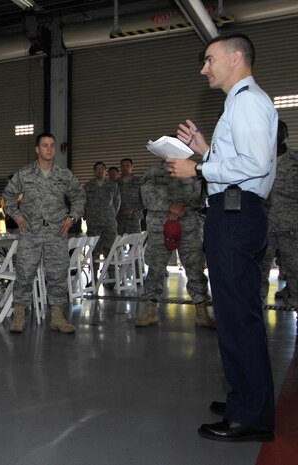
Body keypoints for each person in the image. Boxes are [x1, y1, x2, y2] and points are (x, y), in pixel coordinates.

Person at [167, 34, 276, 442]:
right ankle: (247, 398)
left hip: (236, 214)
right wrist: (206, 149)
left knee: (238, 318)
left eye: (209, 60)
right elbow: (242, 161)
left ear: (235, 58)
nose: (204, 68)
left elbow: (255, 162)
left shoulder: (247, 100)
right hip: (233, 211)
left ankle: (252, 415)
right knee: (235, 314)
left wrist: (196, 168)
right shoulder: (241, 101)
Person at [3, 132, 85, 333]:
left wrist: (72, 217)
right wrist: (17, 216)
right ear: (37, 149)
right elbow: (8, 195)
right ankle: (19, 315)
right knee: (24, 273)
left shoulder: (64, 175)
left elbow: (79, 196)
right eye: (45, 145)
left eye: (52, 145)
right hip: (30, 232)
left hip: (56, 233)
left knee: (57, 276)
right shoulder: (25, 173)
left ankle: (57, 317)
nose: (49, 149)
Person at [135, 160, 215, 329]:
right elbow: (147, 197)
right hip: (159, 227)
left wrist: (183, 207)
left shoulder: (193, 169)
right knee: (155, 268)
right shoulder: (154, 171)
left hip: (190, 226)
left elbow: (203, 197)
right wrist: (170, 206)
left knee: (195, 268)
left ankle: (202, 313)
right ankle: (150, 312)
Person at [260, 121, 298, 307]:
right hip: (262, 226)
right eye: (273, 130)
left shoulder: (295, 160)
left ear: (287, 134)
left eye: (281, 130)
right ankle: (254, 316)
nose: (277, 133)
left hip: (291, 227)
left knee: (295, 271)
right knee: (258, 272)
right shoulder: (258, 160)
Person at [83, 161, 120, 259]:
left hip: (109, 224)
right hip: (93, 224)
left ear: (105, 171)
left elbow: (117, 203)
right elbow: (83, 203)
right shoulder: (87, 186)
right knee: (94, 251)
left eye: (101, 169)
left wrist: (110, 215)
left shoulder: (113, 185)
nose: (99, 171)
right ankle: (94, 274)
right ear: (94, 171)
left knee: (111, 251)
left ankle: (111, 274)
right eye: (97, 169)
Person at [116, 158, 144, 234]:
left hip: (134, 219)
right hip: (119, 219)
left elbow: (145, 201)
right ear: (120, 168)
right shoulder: (115, 183)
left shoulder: (140, 181)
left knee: (135, 244)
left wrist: (133, 210)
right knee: (117, 245)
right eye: (123, 166)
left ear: (132, 167)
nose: (125, 168)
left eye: (127, 165)